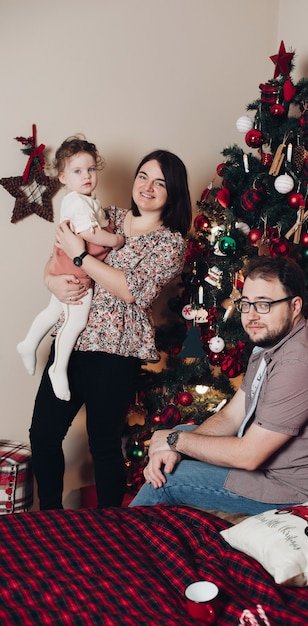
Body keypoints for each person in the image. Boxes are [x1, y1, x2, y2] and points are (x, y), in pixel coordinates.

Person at [130, 256, 308, 515]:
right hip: (275, 471)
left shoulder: (299, 364)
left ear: (295, 306)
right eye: (246, 304)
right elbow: (233, 415)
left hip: (303, 494)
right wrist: (176, 441)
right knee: (183, 432)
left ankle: (115, 546)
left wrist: (173, 440)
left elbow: (249, 456)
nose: (251, 316)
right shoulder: (269, 343)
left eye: (264, 304)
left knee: (166, 479)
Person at [28, 149, 192, 510]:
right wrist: (52, 283)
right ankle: (51, 518)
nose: (147, 186)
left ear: (174, 193)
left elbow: (132, 291)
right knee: (43, 434)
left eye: (160, 182)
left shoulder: (170, 243)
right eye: (143, 176)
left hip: (116, 349)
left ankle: (108, 529)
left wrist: (81, 257)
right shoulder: (107, 216)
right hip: (72, 339)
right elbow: (56, 256)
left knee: (103, 443)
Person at [17, 136, 124, 401]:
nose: (86, 175)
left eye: (90, 169)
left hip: (67, 265)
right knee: (75, 321)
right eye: (77, 171)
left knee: (54, 310)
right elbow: (90, 233)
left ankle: (29, 342)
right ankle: (58, 368)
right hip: (76, 271)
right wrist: (116, 240)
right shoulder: (76, 201)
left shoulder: (87, 200)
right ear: (63, 177)